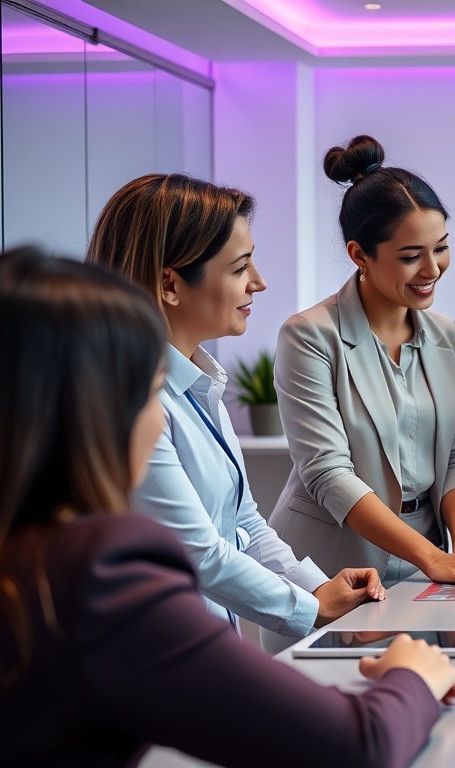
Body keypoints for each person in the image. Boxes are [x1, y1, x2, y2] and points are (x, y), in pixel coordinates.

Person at [0, 248, 455, 767]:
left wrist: (313, 593)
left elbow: (243, 520)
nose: (161, 420)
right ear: (100, 408)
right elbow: (357, 745)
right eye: (152, 389)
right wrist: (413, 675)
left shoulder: (9, 558)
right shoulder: (98, 574)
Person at [87, 174, 381, 639]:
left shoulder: (199, 384)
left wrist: (318, 586)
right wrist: (312, 608)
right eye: (240, 268)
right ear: (170, 283)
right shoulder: (130, 401)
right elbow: (196, 554)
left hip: (206, 643)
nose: (259, 283)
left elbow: (242, 523)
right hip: (158, 651)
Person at [269, 135, 455, 588]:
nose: (432, 270)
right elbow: (327, 473)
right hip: (333, 563)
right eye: (411, 257)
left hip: (427, 557)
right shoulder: (308, 335)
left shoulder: (446, 335)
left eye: (441, 247)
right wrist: (432, 558)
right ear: (359, 255)